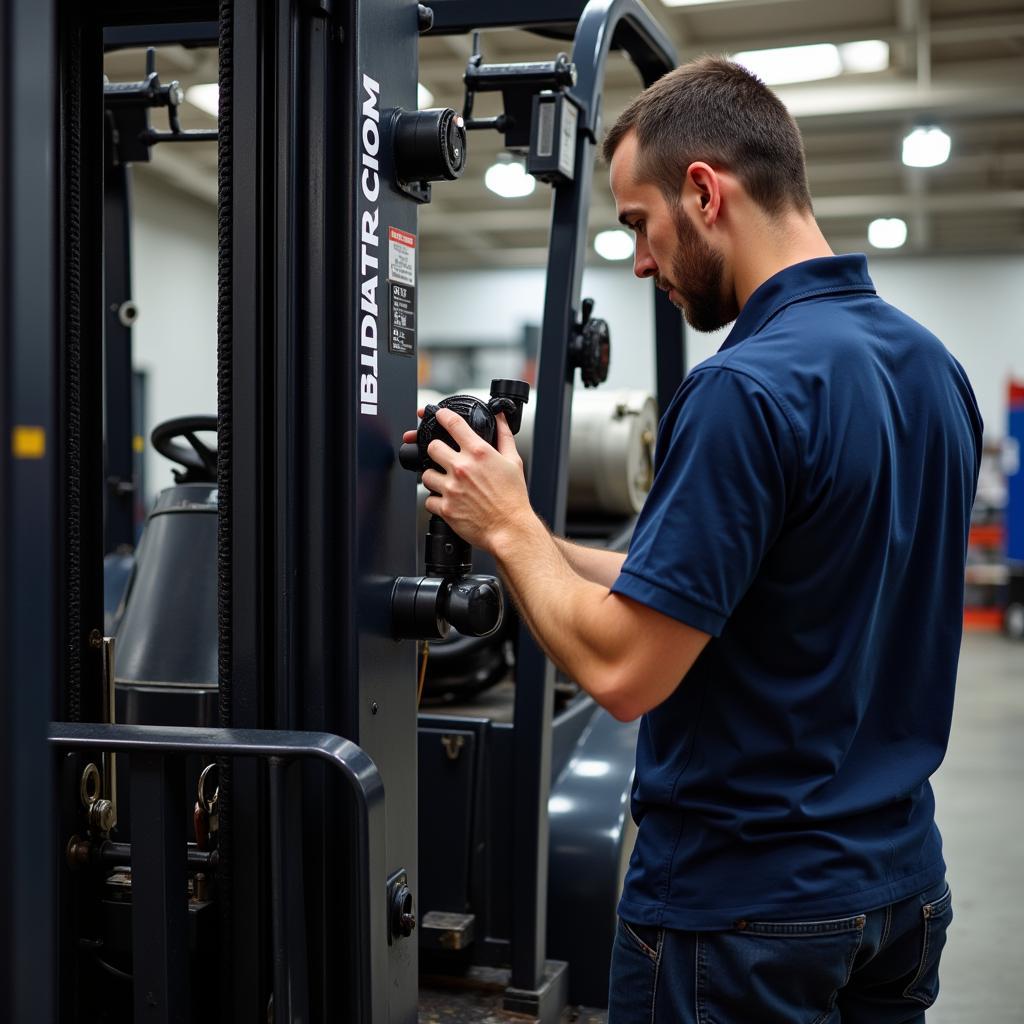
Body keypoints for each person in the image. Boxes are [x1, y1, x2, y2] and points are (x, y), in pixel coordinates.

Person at [407, 56, 982, 1022]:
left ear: (705, 192)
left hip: (746, 918)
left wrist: (507, 530)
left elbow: (627, 673)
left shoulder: (742, 388)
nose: (637, 260)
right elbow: (723, 583)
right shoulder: (932, 368)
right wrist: (527, 532)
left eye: (638, 224)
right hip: (897, 892)